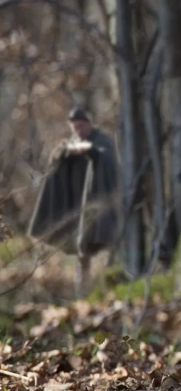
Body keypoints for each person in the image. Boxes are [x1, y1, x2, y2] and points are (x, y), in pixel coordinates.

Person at [28, 107, 121, 296]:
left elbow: (107, 159)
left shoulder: (101, 140)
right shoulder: (72, 142)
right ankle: (82, 293)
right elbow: (56, 159)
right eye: (74, 127)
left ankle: (108, 288)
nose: (78, 130)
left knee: (104, 247)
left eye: (81, 126)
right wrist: (66, 152)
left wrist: (91, 151)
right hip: (76, 205)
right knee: (82, 252)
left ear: (89, 123)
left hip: (97, 205)